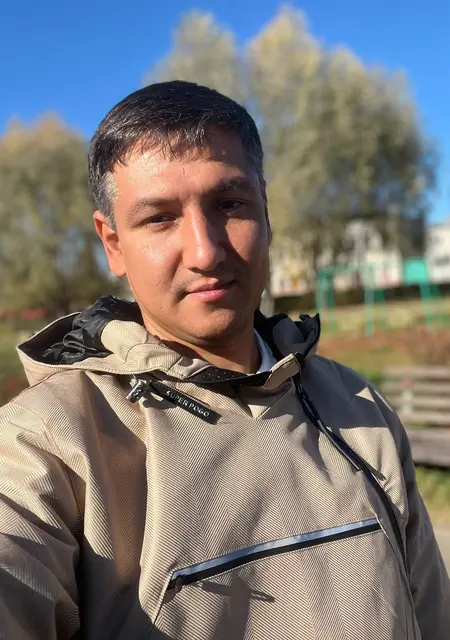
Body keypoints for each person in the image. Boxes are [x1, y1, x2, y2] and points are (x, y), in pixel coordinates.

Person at [0, 81, 448, 640]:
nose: (206, 251)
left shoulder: (360, 411)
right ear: (113, 243)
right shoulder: (47, 444)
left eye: (229, 204)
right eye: (159, 218)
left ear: (266, 211)